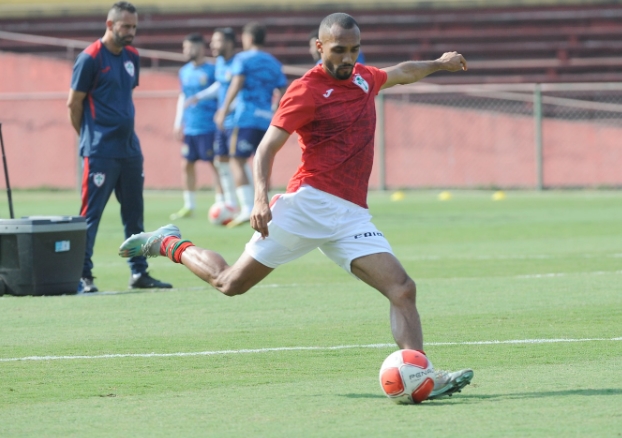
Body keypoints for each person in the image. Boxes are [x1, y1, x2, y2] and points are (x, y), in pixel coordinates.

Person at [119, 12, 472, 398]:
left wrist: (439, 63)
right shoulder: (305, 91)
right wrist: (258, 198)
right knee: (230, 284)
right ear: (319, 48)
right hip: (308, 205)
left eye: (354, 50)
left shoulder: (363, 78)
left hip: (351, 214)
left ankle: (422, 376)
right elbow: (266, 148)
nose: (348, 58)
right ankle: (168, 243)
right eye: (339, 50)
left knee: (402, 289)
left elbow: (402, 71)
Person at [67, 1, 171, 292]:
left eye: (134, 27)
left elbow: (122, 100)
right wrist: (89, 138)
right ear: (110, 24)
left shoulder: (132, 56)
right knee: (91, 216)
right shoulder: (89, 58)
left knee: (134, 215)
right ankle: (82, 275)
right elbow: (73, 104)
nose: (131, 32)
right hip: (100, 152)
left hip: (129, 150)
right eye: (126, 26)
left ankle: (139, 273)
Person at [215, 22, 287, 228]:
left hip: (245, 118)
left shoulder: (242, 59)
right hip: (266, 120)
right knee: (263, 160)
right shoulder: (274, 63)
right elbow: (283, 90)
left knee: (236, 160)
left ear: (249, 38)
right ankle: (268, 205)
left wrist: (224, 109)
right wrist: (276, 109)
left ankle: (247, 207)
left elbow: (237, 83)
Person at [171, 33, 227, 220]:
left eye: (189, 47)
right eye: (184, 47)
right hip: (191, 127)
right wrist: (178, 121)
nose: (186, 51)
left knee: (215, 164)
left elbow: (221, 90)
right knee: (186, 164)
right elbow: (183, 97)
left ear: (200, 48)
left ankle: (221, 201)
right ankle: (189, 205)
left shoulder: (212, 70)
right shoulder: (184, 71)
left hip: (209, 126)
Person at [184, 27, 238, 213]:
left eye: (217, 41)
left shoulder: (229, 64)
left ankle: (236, 201)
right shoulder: (220, 64)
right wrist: (199, 97)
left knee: (234, 161)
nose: (213, 45)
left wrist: (224, 110)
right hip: (208, 123)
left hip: (226, 121)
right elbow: (220, 86)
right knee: (216, 161)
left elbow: (235, 87)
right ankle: (229, 203)